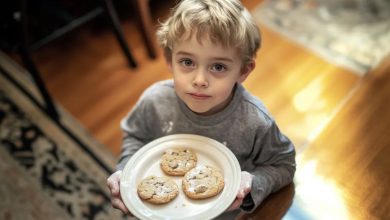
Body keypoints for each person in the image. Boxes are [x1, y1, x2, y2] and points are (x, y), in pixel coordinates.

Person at [107, 0, 296, 218]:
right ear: (170, 59)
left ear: (243, 71)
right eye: (187, 62)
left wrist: (254, 182)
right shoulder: (155, 101)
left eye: (218, 67)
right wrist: (125, 171)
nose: (199, 80)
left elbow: (284, 165)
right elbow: (135, 137)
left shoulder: (255, 122)